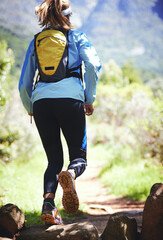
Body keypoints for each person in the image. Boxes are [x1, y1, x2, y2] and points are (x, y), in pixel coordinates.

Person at [19, 0, 101, 225]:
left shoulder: (37, 41)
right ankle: (71, 175)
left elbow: (23, 84)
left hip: (42, 103)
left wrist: (31, 107)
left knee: (53, 160)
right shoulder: (77, 37)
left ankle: (48, 207)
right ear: (69, 15)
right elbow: (93, 65)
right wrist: (89, 98)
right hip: (71, 100)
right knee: (78, 158)